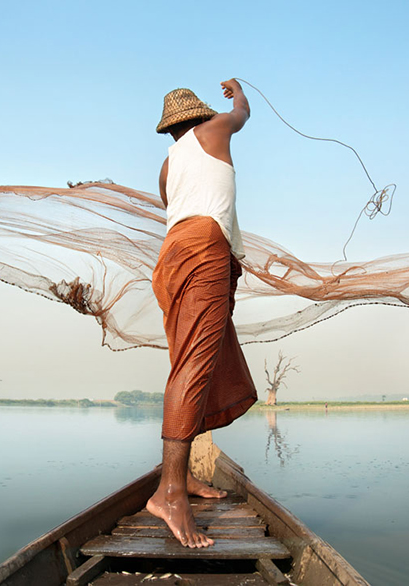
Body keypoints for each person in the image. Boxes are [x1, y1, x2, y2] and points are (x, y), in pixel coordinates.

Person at [146, 79, 258, 548]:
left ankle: (184, 476)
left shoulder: (169, 166)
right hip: (202, 250)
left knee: (192, 361)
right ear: (199, 116)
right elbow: (244, 115)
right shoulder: (215, 128)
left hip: (172, 258)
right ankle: (169, 493)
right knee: (194, 367)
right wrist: (237, 92)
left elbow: (175, 211)